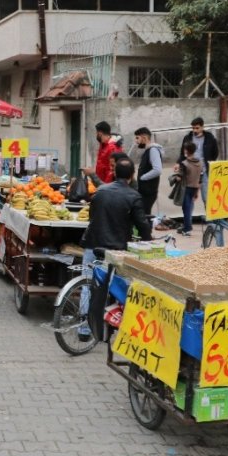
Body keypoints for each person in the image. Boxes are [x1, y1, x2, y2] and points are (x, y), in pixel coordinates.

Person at [79, 159, 152, 340]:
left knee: (88, 284)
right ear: (132, 175)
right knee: (115, 287)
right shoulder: (133, 196)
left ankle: (84, 329)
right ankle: (111, 326)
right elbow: (142, 225)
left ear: (114, 173)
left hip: (93, 244)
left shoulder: (100, 192)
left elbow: (92, 216)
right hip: (116, 249)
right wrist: (148, 241)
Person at [175, 116, 219, 209]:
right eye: (193, 128)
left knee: (206, 195)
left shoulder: (209, 137)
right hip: (190, 171)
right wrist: (178, 163)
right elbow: (182, 153)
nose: (195, 130)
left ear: (202, 127)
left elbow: (215, 152)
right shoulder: (188, 138)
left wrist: (209, 162)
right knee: (189, 196)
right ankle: (188, 221)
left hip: (204, 170)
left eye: (197, 128)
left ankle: (209, 219)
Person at [134, 127, 163, 215]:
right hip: (145, 191)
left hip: (148, 192)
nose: (136, 141)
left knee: (145, 217)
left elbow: (157, 170)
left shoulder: (153, 150)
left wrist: (143, 178)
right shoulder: (148, 151)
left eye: (137, 138)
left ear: (144, 138)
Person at [179, 142, 203, 237]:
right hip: (195, 187)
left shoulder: (185, 164)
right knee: (190, 207)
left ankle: (187, 229)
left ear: (186, 151)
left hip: (186, 187)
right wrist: (197, 190)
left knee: (186, 209)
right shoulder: (200, 162)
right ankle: (187, 226)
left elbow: (180, 176)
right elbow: (200, 177)